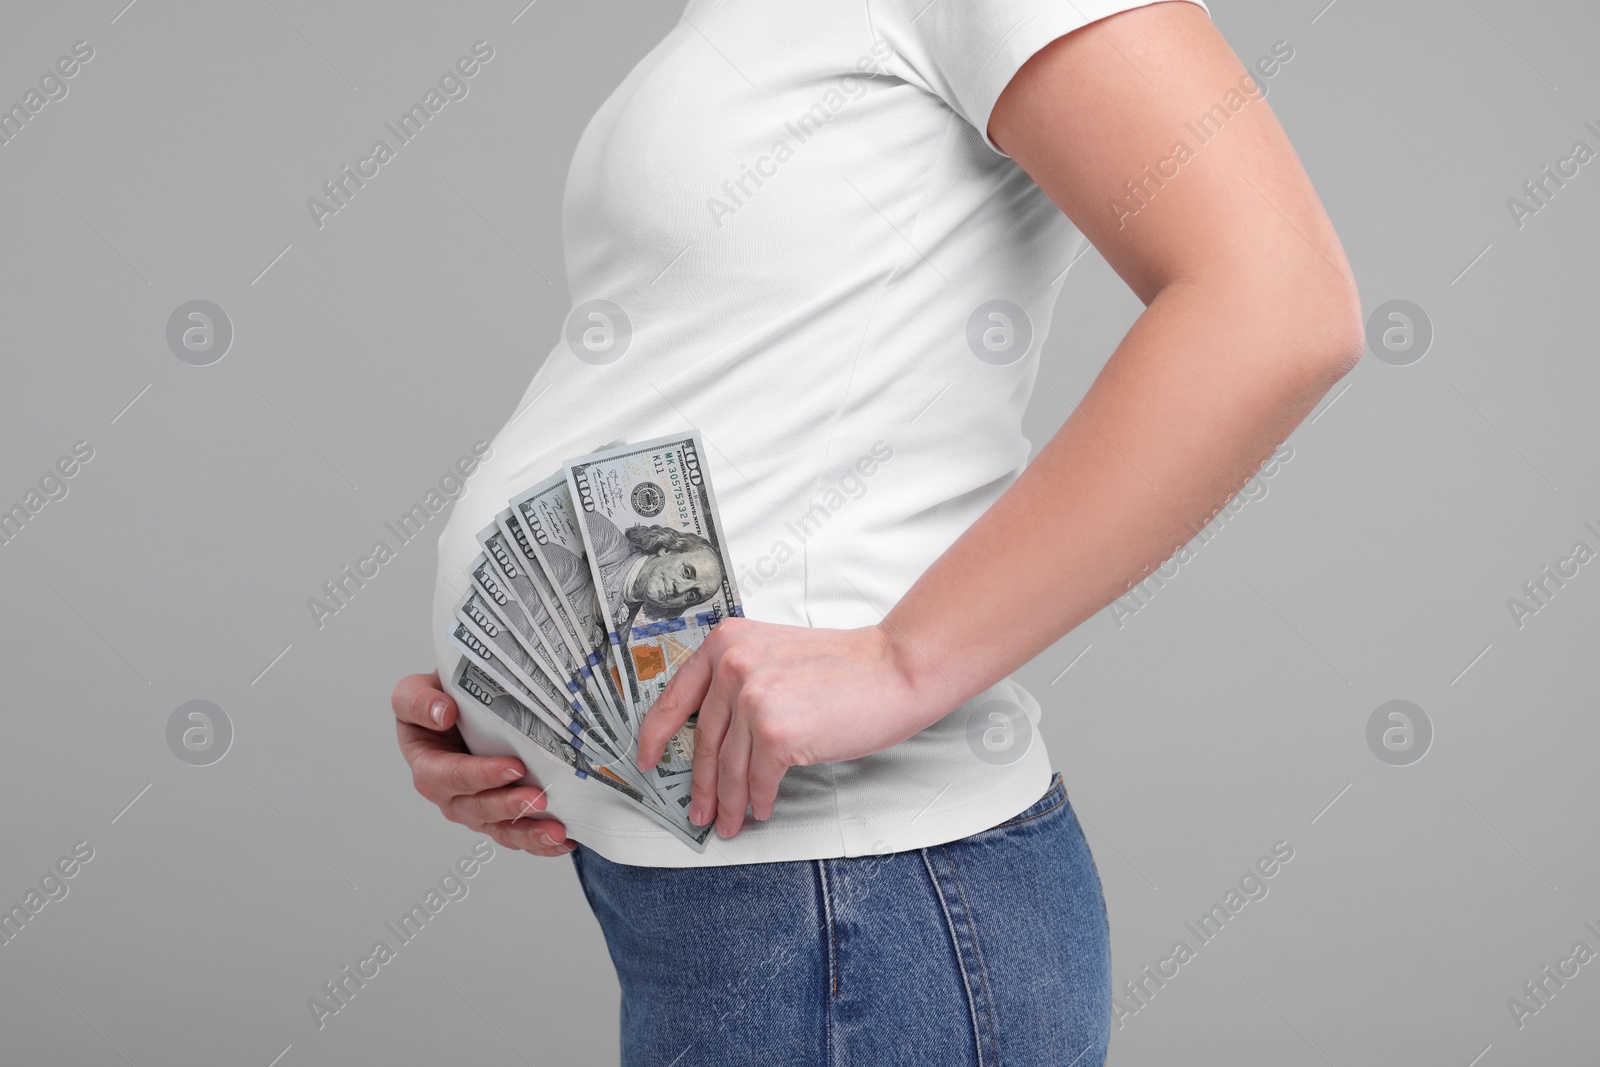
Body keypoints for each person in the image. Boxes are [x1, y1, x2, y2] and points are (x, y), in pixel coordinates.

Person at [392, 1, 1363, 1062]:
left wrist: (904, 661)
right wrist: (520, 697)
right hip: (739, 896)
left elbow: (1281, 302)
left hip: (853, 904)